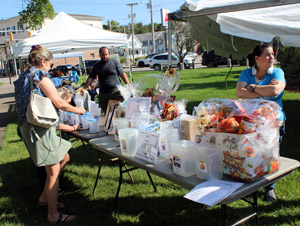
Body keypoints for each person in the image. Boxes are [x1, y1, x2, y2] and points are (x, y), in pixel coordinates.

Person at [14, 45, 85, 224]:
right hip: (37, 128)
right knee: (53, 171)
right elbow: (59, 102)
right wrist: (78, 109)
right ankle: (53, 215)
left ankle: (45, 197)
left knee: (64, 157)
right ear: (43, 61)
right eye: (50, 64)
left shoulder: (24, 75)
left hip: (28, 126)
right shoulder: (39, 76)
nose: (50, 68)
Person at [236, 42, 286, 202]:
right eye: (267, 54)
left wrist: (252, 88)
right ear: (257, 58)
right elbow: (239, 92)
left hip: (274, 122)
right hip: (251, 122)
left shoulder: (277, 72)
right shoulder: (246, 72)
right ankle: (251, 182)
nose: (272, 57)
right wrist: (263, 90)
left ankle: (269, 188)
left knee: (270, 155)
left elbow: (275, 90)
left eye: (272, 54)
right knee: (250, 153)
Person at [80, 46, 130, 113]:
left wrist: (128, 84)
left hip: (116, 92)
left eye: (106, 54)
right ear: (100, 55)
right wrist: (84, 88)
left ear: (109, 54)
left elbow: (122, 74)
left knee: (120, 112)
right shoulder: (97, 65)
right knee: (106, 114)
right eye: (103, 55)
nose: (105, 56)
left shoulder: (115, 62)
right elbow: (90, 78)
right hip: (104, 94)